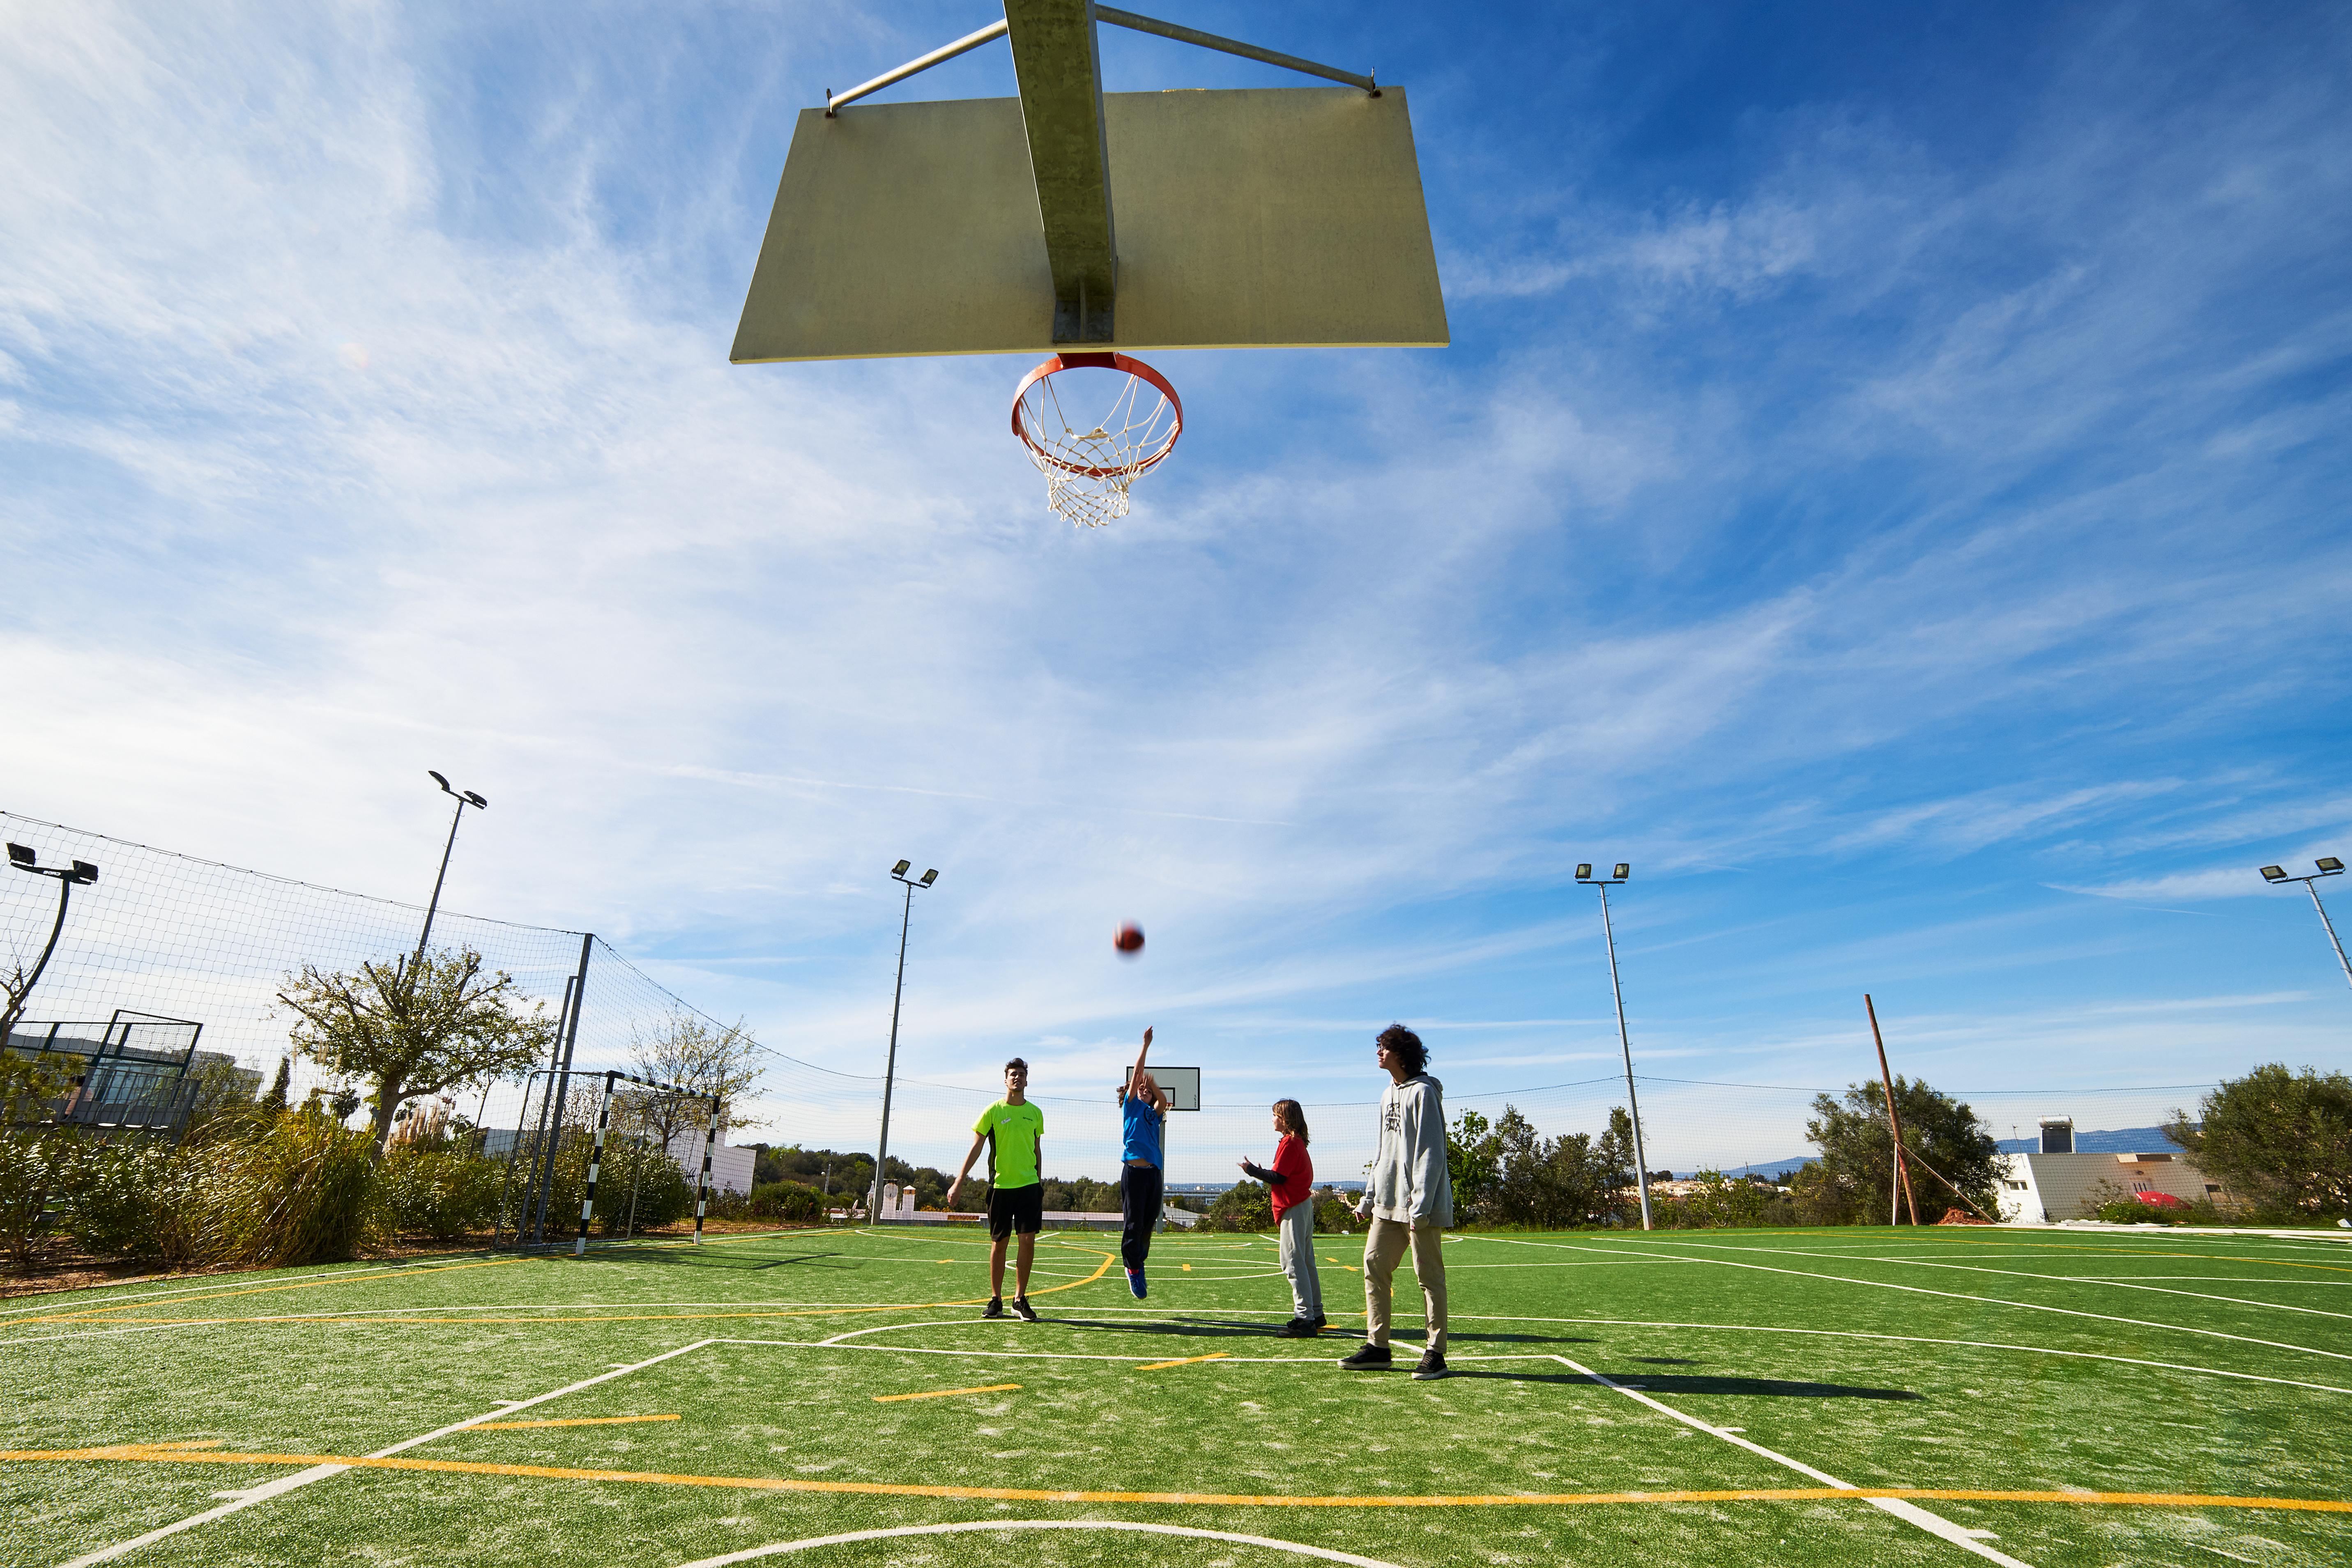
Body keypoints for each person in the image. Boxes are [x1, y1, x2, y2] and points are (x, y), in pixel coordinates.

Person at [1338, 1024, 1453, 1379]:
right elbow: (1383, 1151)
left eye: (1383, 1047)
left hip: (1421, 1206)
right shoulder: (1387, 1094)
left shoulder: (1424, 1093)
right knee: (1373, 1265)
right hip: (1387, 1203)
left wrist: (1420, 1205)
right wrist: (1368, 1198)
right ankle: (1378, 1347)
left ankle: (1436, 1352)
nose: (1378, 1053)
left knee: (1428, 1277)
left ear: (1401, 1053)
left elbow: (1431, 1153)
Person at [945, 1058, 1046, 1322]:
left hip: (1029, 1187)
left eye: (1022, 1074)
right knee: (999, 1244)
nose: (1018, 1078)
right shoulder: (992, 1111)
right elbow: (977, 1148)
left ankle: (1019, 1299)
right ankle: (996, 1300)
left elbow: (1036, 1150)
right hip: (1000, 1188)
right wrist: (959, 1181)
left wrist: (1039, 1182)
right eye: (1013, 1074)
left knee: (1027, 1241)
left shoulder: (1035, 1113)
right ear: (1006, 1080)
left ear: (1027, 1080)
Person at [1239, 1098, 1323, 1336]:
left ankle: (1305, 1319)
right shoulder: (1298, 1143)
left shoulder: (1289, 1142)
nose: (1272, 1119)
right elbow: (1282, 1174)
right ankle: (1316, 1313)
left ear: (1285, 1120)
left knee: (1293, 1262)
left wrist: (1252, 1171)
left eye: (1276, 1115)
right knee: (1306, 1261)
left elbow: (1279, 1178)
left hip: (1293, 1206)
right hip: (1302, 1204)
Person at [1117, 1025, 1169, 1298]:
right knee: (1134, 1224)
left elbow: (1163, 1101)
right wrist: (1145, 1046)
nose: (1143, 1089)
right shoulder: (1132, 1108)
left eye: (1146, 1089)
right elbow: (1137, 1075)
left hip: (1153, 1174)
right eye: (1139, 1088)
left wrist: (1155, 1086)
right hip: (1134, 1174)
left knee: (1148, 1224)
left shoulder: (1153, 1113)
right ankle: (1132, 1268)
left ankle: (1139, 1262)